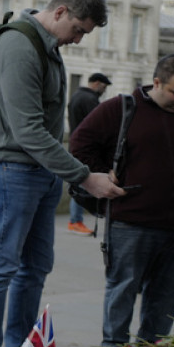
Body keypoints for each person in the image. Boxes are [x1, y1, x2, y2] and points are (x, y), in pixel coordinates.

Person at [0, 0, 124, 347]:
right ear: (61, 12)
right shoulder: (19, 47)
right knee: (0, 266)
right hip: (7, 167)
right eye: (79, 30)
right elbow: (28, 131)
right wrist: (85, 177)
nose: (78, 39)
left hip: (35, 170)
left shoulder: (46, 45)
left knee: (35, 266)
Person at [70, 54, 174, 346]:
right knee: (123, 288)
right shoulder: (121, 108)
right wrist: (103, 174)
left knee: (167, 295)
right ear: (156, 82)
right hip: (132, 219)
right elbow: (79, 145)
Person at [65, 72, 112, 235]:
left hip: (74, 145)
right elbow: (101, 126)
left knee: (78, 182)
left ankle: (75, 220)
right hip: (87, 150)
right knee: (83, 184)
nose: (103, 91)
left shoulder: (76, 95)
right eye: (104, 87)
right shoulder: (90, 99)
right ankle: (75, 221)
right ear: (97, 83)